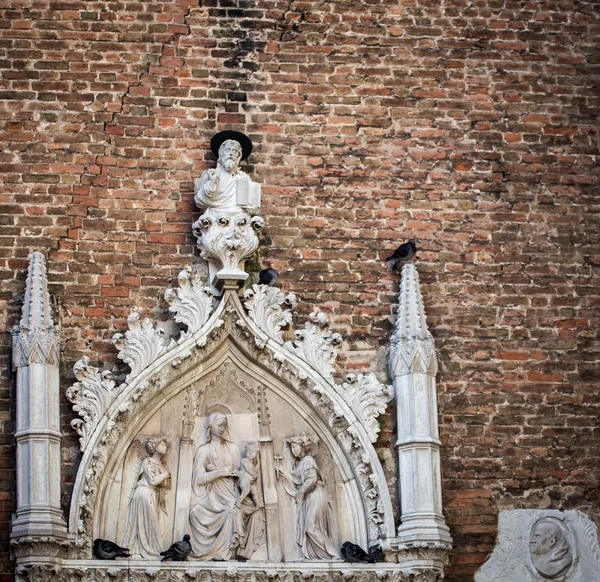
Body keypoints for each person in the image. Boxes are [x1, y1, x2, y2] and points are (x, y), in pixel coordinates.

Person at [189, 412, 264, 560]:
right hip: (214, 498)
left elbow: (242, 474)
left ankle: (227, 552)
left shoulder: (233, 448)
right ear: (211, 426)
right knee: (194, 514)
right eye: (219, 425)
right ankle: (215, 551)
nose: (222, 428)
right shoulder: (203, 450)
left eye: (225, 425)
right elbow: (198, 479)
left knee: (233, 510)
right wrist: (220, 472)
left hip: (232, 494)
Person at [277, 435, 339, 560]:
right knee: (308, 528)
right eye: (292, 448)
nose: (293, 450)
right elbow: (297, 480)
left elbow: (312, 478)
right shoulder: (300, 463)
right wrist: (285, 474)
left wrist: (301, 492)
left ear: (302, 446)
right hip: (308, 497)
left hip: (315, 495)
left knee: (311, 527)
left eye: (294, 447)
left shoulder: (309, 461)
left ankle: (332, 554)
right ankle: (312, 554)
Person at [121, 436, 171, 558]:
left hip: (152, 494)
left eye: (165, 445)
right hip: (143, 493)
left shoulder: (163, 464)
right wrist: (164, 475)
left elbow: (166, 485)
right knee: (148, 521)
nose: (165, 447)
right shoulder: (147, 461)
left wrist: (165, 478)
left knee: (150, 521)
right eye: (162, 444)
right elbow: (152, 480)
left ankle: (150, 548)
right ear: (154, 446)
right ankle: (149, 550)